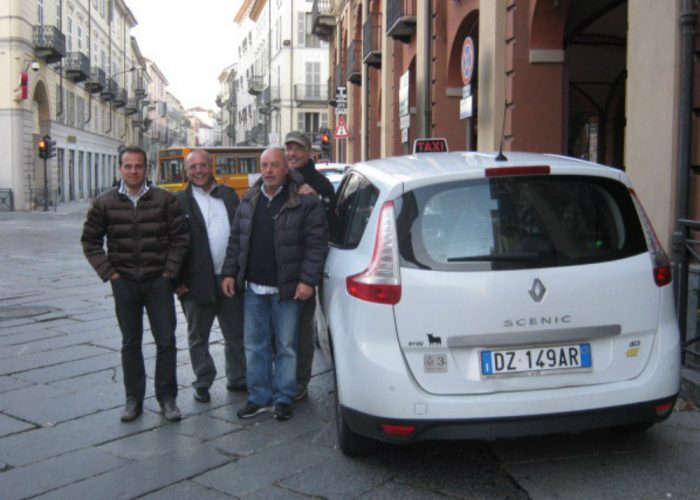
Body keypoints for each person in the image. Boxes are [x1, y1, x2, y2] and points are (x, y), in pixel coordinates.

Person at [81, 145, 188, 422]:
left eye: (138, 166)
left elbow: (180, 239)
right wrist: (110, 273)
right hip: (124, 282)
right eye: (128, 166)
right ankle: (133, 400)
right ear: (120, 169)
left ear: (146, 169)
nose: (133, 171)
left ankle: (167, 399)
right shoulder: (104, 202)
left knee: (166, 341)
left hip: (158, 282)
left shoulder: (165, 199)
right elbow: (90, 242)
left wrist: (169, 273)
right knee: (131, 342)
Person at [221, 147, 328, 421]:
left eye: (274, 165)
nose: (268, 170)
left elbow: (317, 246)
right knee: (254, 346)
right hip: (254, 289)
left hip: (288, 290)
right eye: (264, 165)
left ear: (285, 169)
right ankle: (258, 397)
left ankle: (283, 398)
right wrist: (230, 273)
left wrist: (307, 281)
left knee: (286, 346)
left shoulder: (305, 202)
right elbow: (236, 241)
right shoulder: (249, 199)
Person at [175, 150, 246, 403]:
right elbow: (170, 242)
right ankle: (203, 381)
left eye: (203, 165)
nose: (199, 170)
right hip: (195, 281)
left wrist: (237, 272)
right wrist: (177, 281)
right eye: (193, 167)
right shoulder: (179, 201)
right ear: (187, 171)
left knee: (236, 335)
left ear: (211, 166)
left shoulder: (228, 195)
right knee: (198, 338)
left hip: (229, 279)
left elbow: (240, 234)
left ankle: (238, 379)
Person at [284, 131, 337, 401]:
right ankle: (283, 379)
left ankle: (300, 382)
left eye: (298, 149)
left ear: (309, 153)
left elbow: (330, 225)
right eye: (289, 148)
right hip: (278, 269)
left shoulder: (321, 184)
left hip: (305, 268)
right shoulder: (278, 180)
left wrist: (316, 198)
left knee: (301, 330)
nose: (292, 153)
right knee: (279, 331)